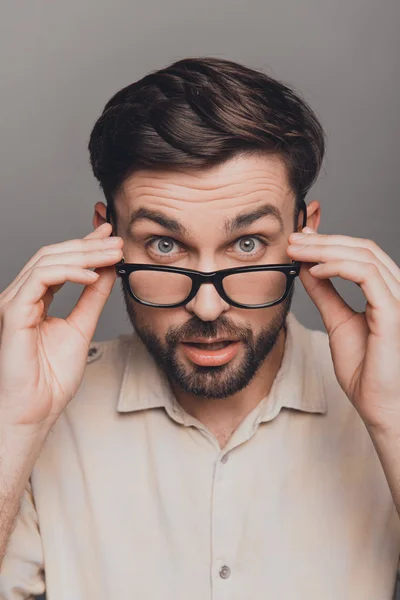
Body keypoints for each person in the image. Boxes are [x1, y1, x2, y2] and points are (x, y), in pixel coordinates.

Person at [1, 56, 400, 600]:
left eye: (247, 244)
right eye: (165, 246)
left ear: (305, 236)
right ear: (107, 238)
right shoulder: (37, 415)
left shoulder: (387, 404)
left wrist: (395, 419)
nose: (208, 306)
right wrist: (14, 426)